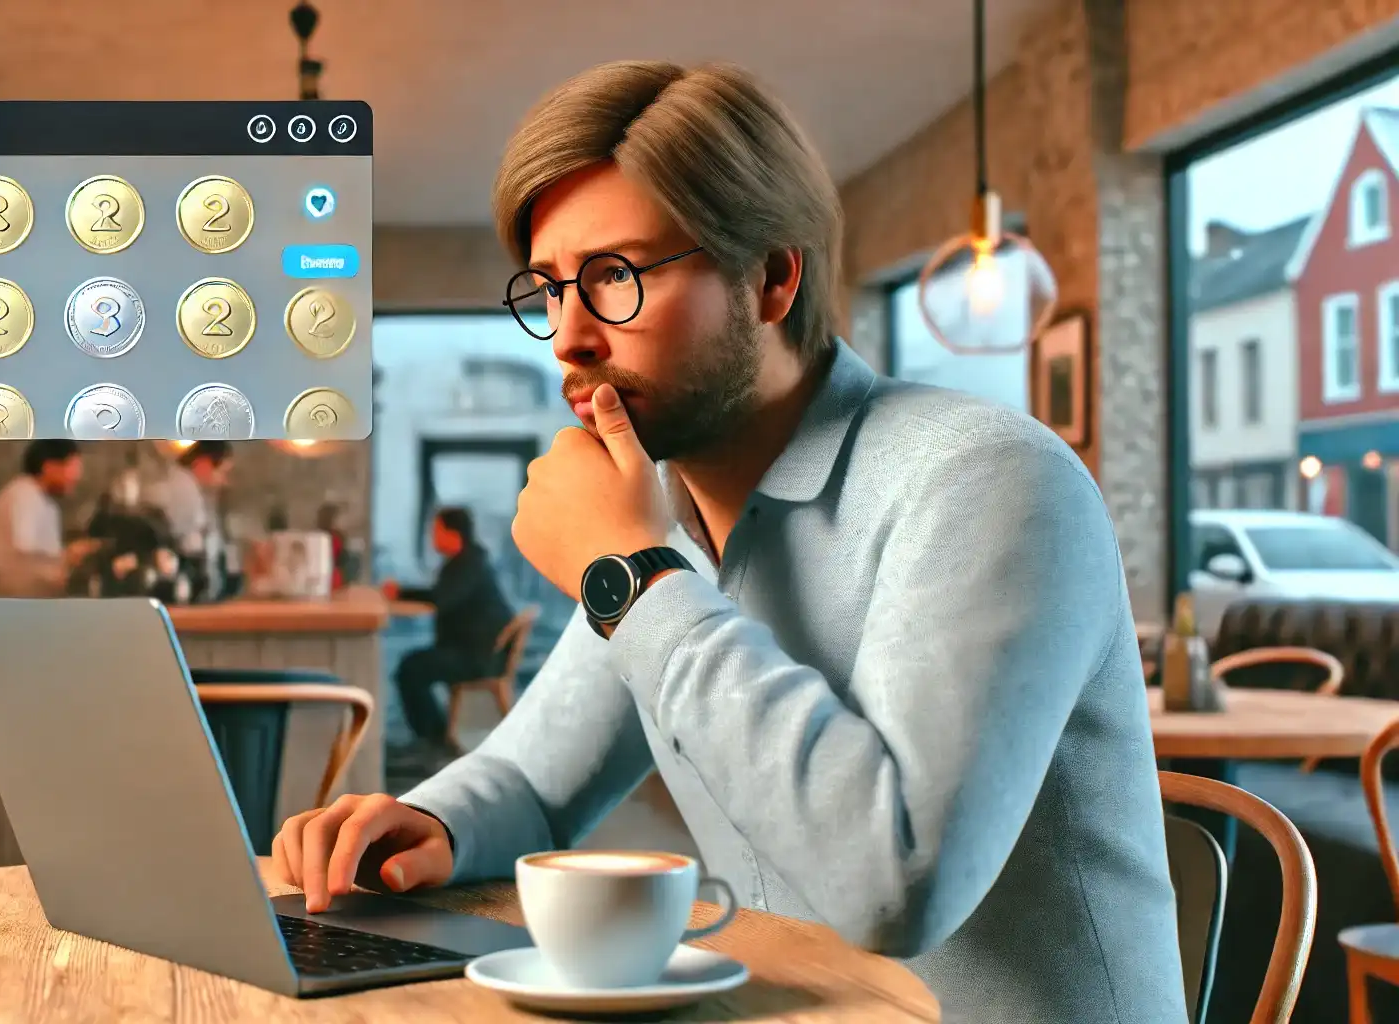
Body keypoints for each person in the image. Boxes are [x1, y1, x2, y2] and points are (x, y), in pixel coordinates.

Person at [270, 60, 1185, 1022]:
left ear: (771, 278)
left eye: (615, 277)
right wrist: (423, 820)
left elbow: (896, 883)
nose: (568, 338)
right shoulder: (670, 518)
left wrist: (630, 571)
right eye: (548, 289)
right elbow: (536, 782)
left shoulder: (988, 477)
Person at [380, 507, 515, 757]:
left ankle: (434, 740)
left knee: (411, 670)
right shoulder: (467, 561)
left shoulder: (467, 565)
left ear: (452, 534)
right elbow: (440, 594)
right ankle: (436, 735)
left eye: (436, 532)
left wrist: (401, 593)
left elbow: (441, 597)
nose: (432, 539)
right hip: (477, 651)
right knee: (412, 666)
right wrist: (401, 593)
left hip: (477, 658)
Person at [0, 439, 95, 596]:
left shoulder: (41, 499)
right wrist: (68, 555)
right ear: (49, 467)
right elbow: (25, 552)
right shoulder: (24, 495)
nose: (77, 476)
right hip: (17, 600)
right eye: (72, 467)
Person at [149, 441, 235, 597]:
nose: (223, 481)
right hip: (183, 571)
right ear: (203, 463)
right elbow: (181, 538)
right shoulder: (183, 489)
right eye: (221, 472)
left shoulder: (189, 487)